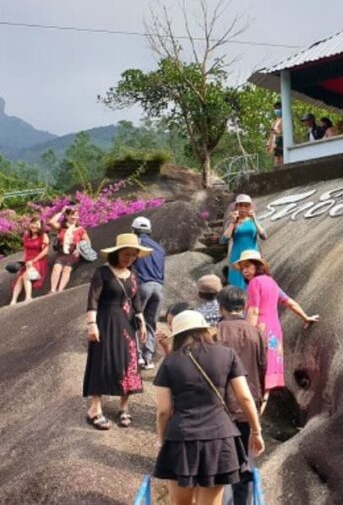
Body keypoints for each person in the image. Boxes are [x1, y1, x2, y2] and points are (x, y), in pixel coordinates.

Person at [153, 310, 265, 505]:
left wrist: (162, 439)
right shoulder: (227, 354)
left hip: (181, 437)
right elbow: (245, 398)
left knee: (180, 503)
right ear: (205, 330)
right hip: (219, 438)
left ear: (177, 335)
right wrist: (256, 431)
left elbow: (163, 410)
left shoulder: (170, 361)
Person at [233, 250, 319, 411]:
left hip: (259, 330)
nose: (244, 270)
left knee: (253, 370)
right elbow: (289, 302)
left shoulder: (254, 283)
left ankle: (250, 414)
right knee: (268, 373)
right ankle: (260, 413)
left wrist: (246, 334)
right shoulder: (271, 283)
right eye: (242, 268)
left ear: (258, 266)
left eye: (247, 266)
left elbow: (253, 311)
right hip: (274, 331)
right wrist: (305, 317)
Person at [83, 233, 151, 430]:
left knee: (128, 360)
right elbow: (92, 299)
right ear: (117, 253)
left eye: (133, 255)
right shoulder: (102, 273)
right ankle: (95, 408)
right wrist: (91, 324)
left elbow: (135, 298)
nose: (129, 258)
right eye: (126, 254)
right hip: (106, 321)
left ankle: (124, 407)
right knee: (101, 360)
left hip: (127, 323)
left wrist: (142, 320)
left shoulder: (132, 274)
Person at [216, 286, 267, 504]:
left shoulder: (215, 332)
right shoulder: (257, 333)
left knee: (220, 460)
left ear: (220, 308)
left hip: (221, 404)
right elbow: (263, 366)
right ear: (244, 306)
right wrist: (262, 398)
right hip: (249, 404)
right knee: (244, 461)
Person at [131, 216, 166, 370]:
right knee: (151, 323)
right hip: (158, 287)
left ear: (134, 230)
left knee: (134, 319)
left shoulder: (136, 243)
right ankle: (149, 358)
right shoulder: (160, 248)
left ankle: (137, 355)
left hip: (143, 285)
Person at [220, 194, 267, 289]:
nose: (243, 208)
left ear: (250, 207)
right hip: (237, 256)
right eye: (240, 205)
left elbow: (264, 236)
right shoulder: (232, 221)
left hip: (253, 256)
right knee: (238, 284)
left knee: (254, 283)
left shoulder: (253, 220)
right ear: (236, 207)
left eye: (246, 205)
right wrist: (233, 222)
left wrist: (254, 220)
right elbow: (223, 240)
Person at [48, 206, 89, 293]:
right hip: (62, 252)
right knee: (56, 268)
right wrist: (61, 212)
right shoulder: (62, 227)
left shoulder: (80, 229)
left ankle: (60, 290)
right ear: (67, 216)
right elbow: (51, 222)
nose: (74, 217)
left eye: (76, 215)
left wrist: (79, 250)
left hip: (74, 252)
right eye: (72, 215)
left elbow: (87, 242)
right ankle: (52, 290)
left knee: (67, 269)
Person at [10, 216, 49, 305]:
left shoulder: (43, 236)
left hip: (38, 261)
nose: (34, 226)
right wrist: (23, 264)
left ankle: (28, 297)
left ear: (40, 226)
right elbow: (26, 251)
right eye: (33, 223)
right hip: (27, 262)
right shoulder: (26, 237)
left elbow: (45, 251)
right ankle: (13, 301)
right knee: (19, 279)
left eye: (37, 224)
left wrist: (33, 261)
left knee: (26, 276)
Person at [265, 101, 283, 168]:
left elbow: (284, 133)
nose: (277, 110)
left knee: (281, 160)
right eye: (275, 108)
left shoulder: (285, 119)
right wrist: (268, 144)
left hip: (281, 141)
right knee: (276, 161)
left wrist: (277, 133)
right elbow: (271, 134)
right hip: (275, 143)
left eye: (278, 108)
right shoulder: (274, 122)